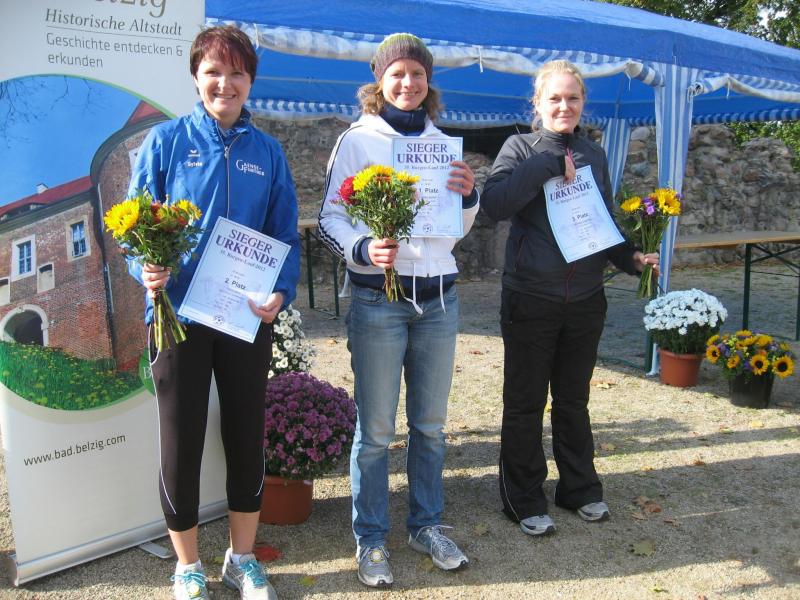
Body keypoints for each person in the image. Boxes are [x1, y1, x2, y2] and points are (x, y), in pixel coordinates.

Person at [128, 25, 300, 600]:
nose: (225, 83)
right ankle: (187, 565)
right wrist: (145, 269)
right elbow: (132, 227)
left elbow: (284, 236)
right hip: (176, 315)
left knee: (247, 434)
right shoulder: (166, 142)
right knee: (181, 440)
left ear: (251, 81)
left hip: (244, 316)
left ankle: (241, 559)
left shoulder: (268, 152)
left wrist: (281, 291)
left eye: (237, 73)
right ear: (196, 78)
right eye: (214, 72)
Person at [318, 33, 479, 588]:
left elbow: (454, 231)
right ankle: (371, 538)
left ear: (429, 82)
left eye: (417, 74)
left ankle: (426, 526)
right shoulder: (357, 140)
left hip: (439, 299)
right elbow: (330, 218)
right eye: (397, 74)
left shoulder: (442, 144)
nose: (408, 83)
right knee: (377, 431)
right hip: (378, 301)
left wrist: (469, 197)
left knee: (430, 427)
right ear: (379, 81)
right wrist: (364, 249)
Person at [481, 60, 659, 538]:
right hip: (530, 297)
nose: (564, 106)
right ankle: (523, 497)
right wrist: (542, 165)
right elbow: (494, 205)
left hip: (585, 298)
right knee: (525, 404)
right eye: (554, 98)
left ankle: (578, 488)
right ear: (537, 103)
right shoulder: (519, 148)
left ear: (583, 103)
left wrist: (630, 258)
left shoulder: (593, 154)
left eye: (573, 98)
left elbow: (602, 221)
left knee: (574, 401)